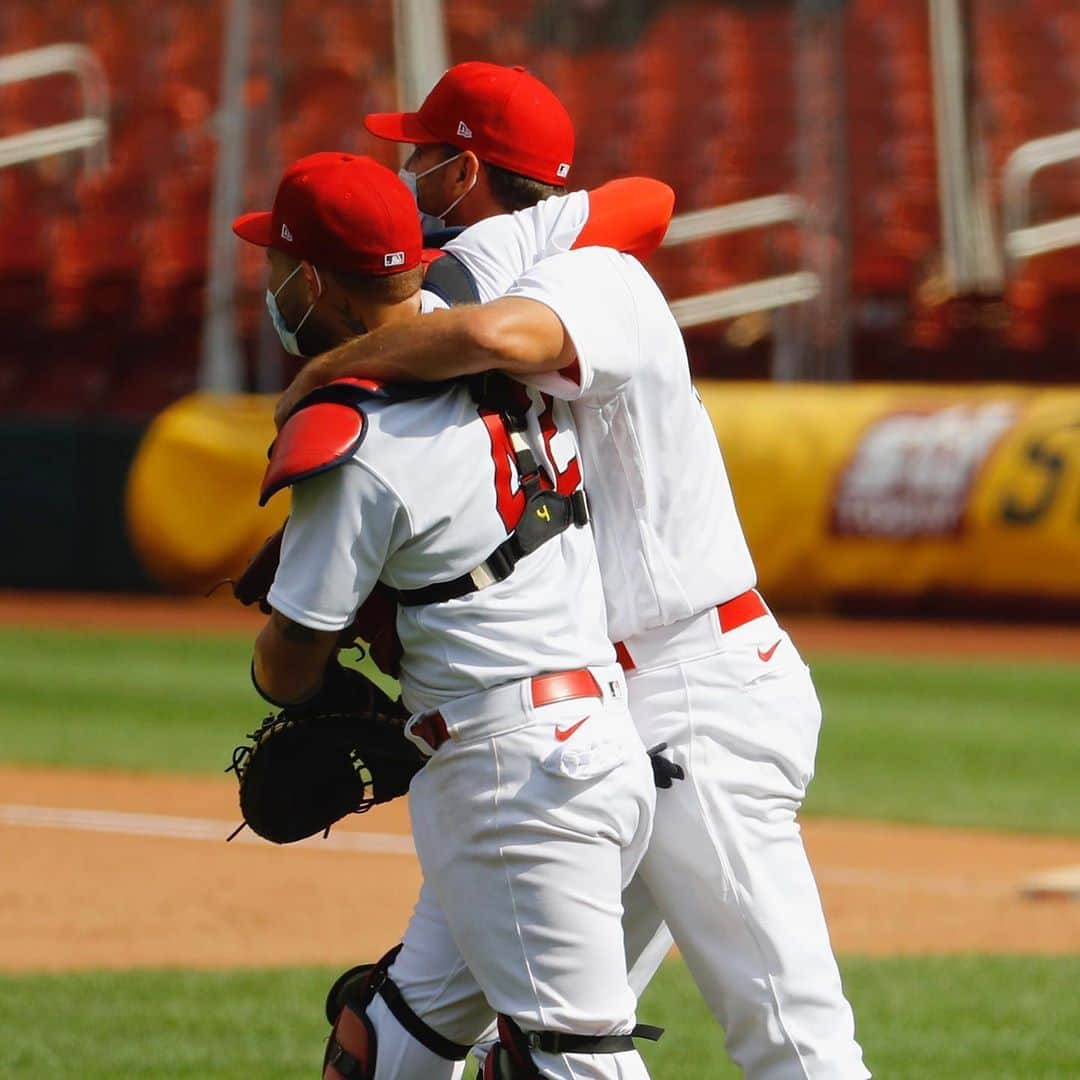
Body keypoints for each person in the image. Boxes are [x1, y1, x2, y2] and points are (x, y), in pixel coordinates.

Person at [274, 62, 870, 1079]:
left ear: (462, 170)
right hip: (577, 717)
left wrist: (330, 368)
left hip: (692, 693)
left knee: (788, 1037)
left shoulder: (597, 279)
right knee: (397, 1035)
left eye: (420, 155)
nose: (407, 171)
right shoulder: (512, 263)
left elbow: (515, 330)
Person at [237, 151, 657, 1080]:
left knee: (573, 1065)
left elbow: (290, 663)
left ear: (309, 279)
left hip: (515, 782)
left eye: (274, 264)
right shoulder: (488, 329)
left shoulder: (350, 439)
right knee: (389, 1045)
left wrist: (292, 660)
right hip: (591, 743)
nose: (268, 282)